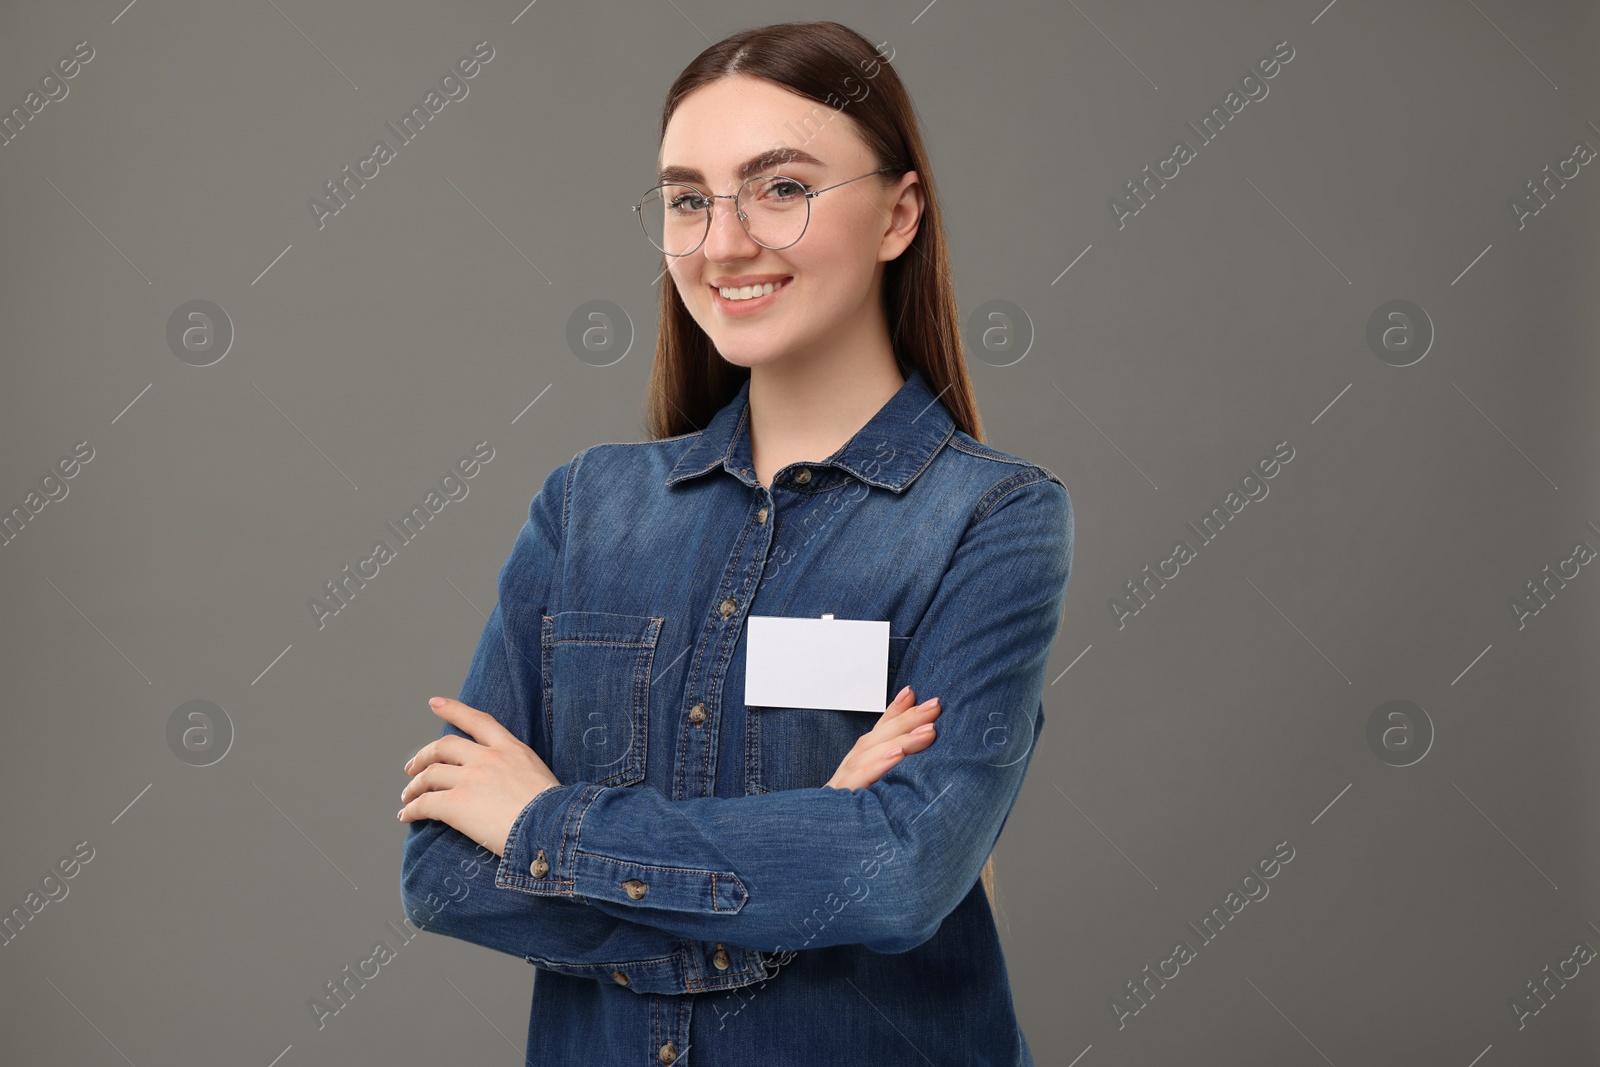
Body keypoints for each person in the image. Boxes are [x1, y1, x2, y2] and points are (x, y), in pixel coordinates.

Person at [398, 20, 1073, 1066]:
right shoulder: (584, 508)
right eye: (687, 199)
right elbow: (443, 871)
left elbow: (897, 876)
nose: (722, 243)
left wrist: (544, 824)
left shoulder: (992, 520)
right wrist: (804, 861)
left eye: (781, 188)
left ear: (898, 214)